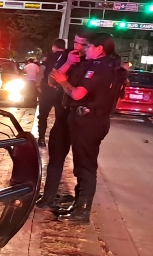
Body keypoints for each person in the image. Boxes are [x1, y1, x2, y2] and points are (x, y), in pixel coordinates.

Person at [46, 32, 121, 223]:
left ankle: (82, 211)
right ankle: (78, 205)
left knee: (85, 167)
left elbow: (78, 94)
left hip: (90, 121)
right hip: (87, 120)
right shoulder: (103, 66)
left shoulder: (100, 68)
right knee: (82, 166)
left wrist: (64, 82)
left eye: (87, 46)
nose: (83, 49)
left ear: (99, 49)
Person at [36, 33, 89, 207]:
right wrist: (67, 63)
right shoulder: (66, 56)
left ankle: (81, 204)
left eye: (83, 44)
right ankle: (48, 196)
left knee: (83, 164)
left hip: (83, 119)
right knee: (56, 156)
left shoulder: (95, 63)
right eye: (75, 42)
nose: (78, 47)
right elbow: (51, 81)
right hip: (62, 115)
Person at [37, 39, 67, 146]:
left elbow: (41, 72)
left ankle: (41, 138)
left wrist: (38, 85)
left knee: (43, 115)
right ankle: (58, 140)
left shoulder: (48, 57)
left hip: (47, 89)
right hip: (62, 90)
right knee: (60, 117)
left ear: (53, 46)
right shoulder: (68, 58)